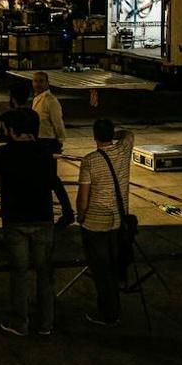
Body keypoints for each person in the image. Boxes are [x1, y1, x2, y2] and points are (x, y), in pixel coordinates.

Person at [0, 84, 56, 337]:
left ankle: (21, 321)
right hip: (42, 216)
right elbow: (51, 182)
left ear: (11, 130)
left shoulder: (3, 155)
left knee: (19, 273)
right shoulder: (45, 153)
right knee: (44, 273)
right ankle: (46, 323)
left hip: (15, 217)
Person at [75, 118, 134, 327]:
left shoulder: (90, 160)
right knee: (113, 266)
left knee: (101, 270)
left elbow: (83, 197)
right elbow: (129, 134)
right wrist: (114, 135)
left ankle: (108, 313)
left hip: (95, 223)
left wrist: (80, 215)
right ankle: (114, 307)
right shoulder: (124, 151)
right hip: (117, 220)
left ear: (94, 136)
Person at [31, 71, 74, 226]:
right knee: (47, 180)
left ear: (47, 83)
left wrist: (60, 141)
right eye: (35, 81)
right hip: (40, 143)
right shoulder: (37, 99)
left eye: (41, 81)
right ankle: (54, 211)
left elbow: (58, 123)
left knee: (52, 180)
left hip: (48, 143)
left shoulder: (50, 101)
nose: (37, 84)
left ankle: (67, 212)